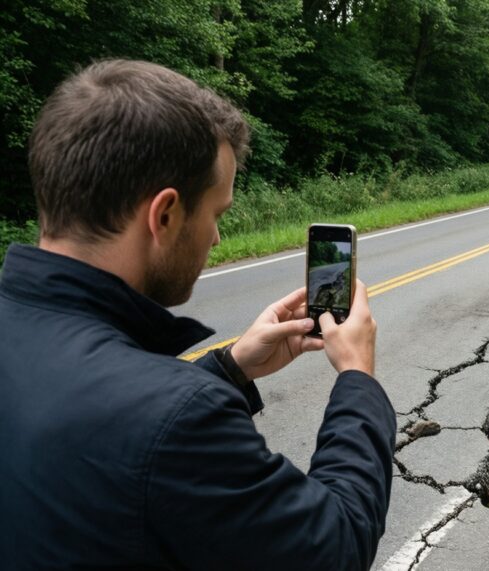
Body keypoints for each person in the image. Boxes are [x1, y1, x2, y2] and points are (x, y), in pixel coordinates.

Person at [0, 60, 396, 570]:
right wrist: (358, 379)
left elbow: (101, 423)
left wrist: (230, 367)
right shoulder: (182, 418)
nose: (216, 239)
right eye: (216, 213)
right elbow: (334, 547)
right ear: (164, 215)